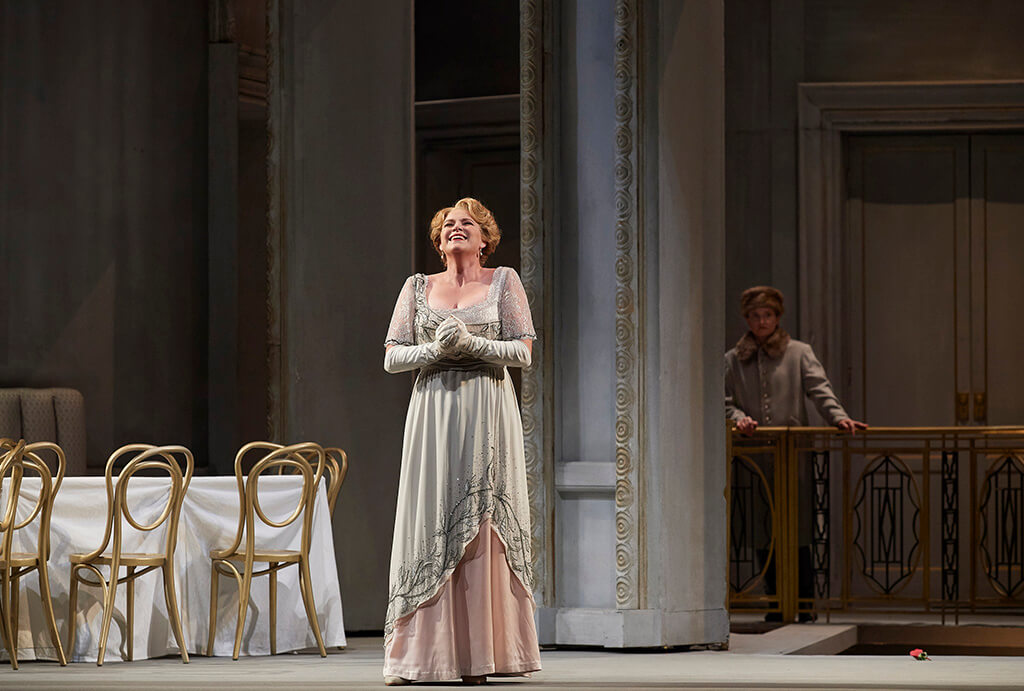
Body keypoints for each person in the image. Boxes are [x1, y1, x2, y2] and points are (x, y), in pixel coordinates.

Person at [381, 198, 542, 685]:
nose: (456, 229)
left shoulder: (504, 281)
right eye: (448, 224)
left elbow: (523, 352)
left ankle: (482, 654)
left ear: (485, 238)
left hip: (488, 408)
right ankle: (425, 656)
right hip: (433, 411)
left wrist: (473, 345)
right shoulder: (416, 288)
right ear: (438, 240)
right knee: (430, 514)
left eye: (466, 223)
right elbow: (392, 357)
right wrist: (435, 348)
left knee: (485, 518)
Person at [725, 286, 867, 434]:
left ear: (777, 317)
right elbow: (726, 403)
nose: (762, 321)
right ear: (747, 319)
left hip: (791, 444)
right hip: (750, 447)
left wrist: (839, 417)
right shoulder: (733, 360)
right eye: (755, 315)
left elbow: (819, 390)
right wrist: (739, 419)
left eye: (768, 315)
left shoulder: (799, 353)